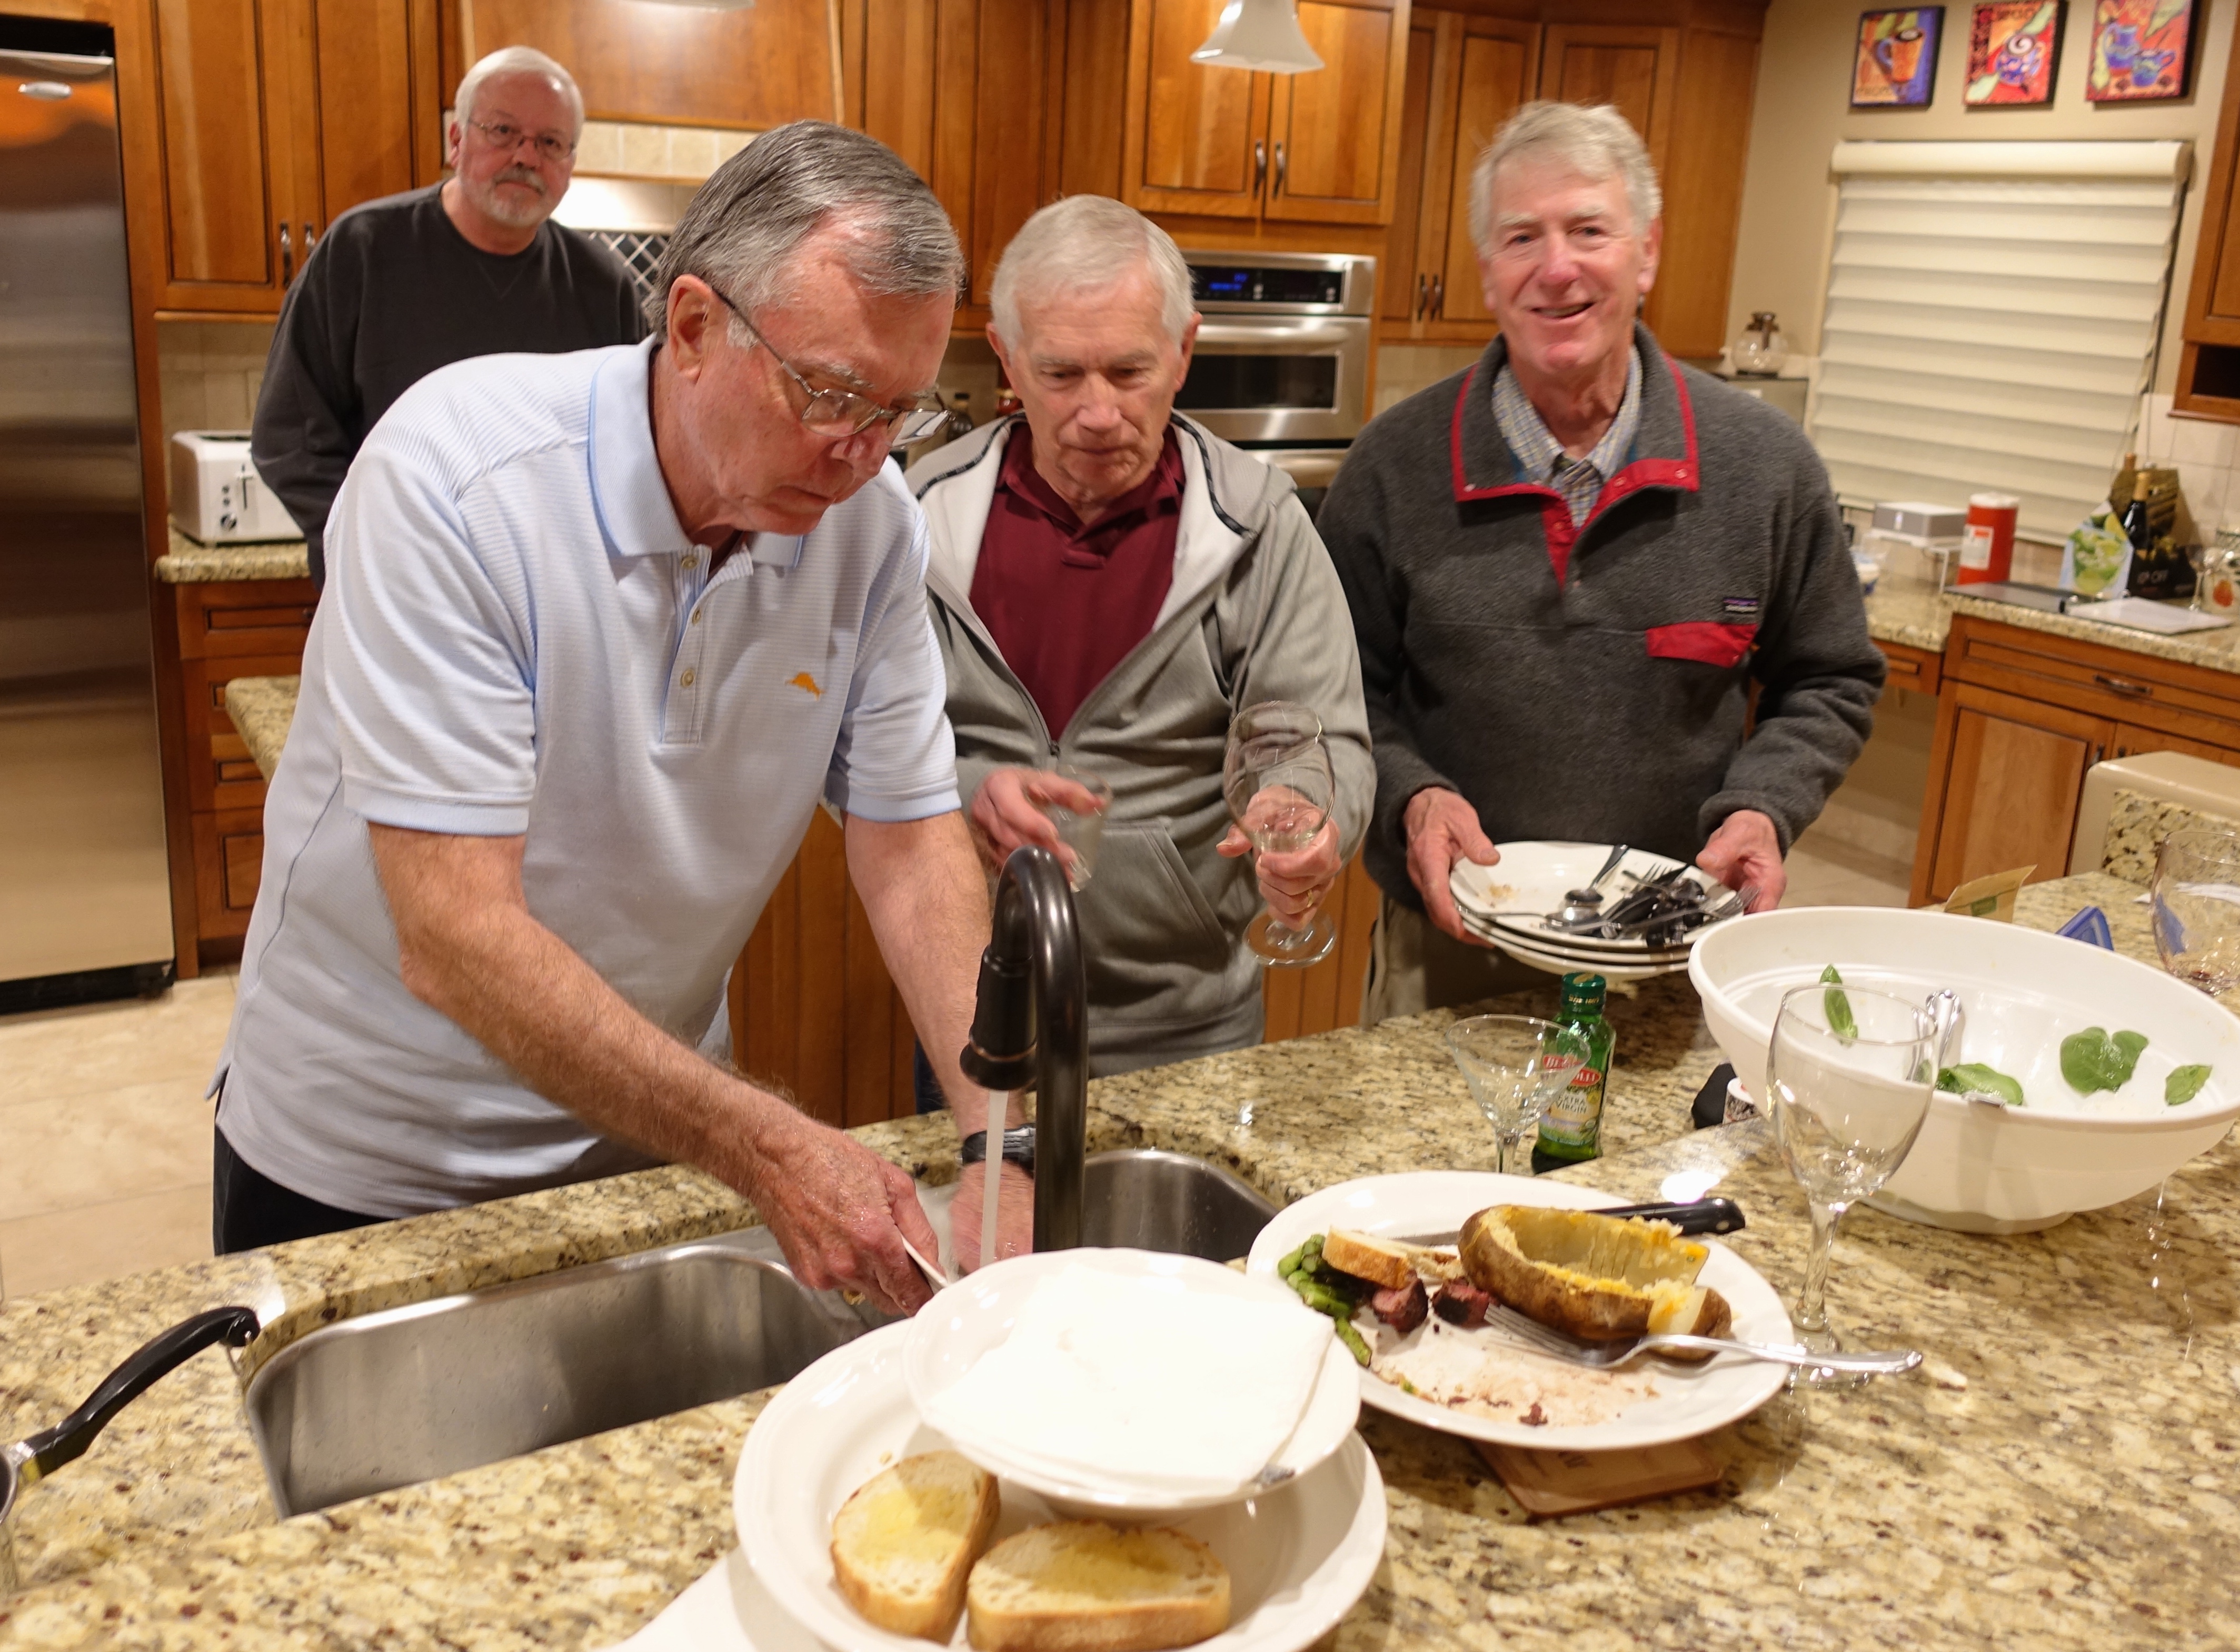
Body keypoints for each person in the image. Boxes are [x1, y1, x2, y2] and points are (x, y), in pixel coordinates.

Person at [210, 123, 1029, 1313]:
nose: (860, 455)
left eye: (900, 411)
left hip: (653, 1136)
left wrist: (998, 1143)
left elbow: (909, 845)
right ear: (693, 327)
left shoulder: (870, 525)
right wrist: (769, 1145)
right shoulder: (458, 480)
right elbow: (454, 934)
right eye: (830, 392)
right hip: (372, 1160)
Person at [1317, 102, 1885, 1021]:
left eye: (1589, 230)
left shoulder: (1765, 466)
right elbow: (1336, 694)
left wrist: (1764, 805)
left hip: (1678, 945)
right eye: (1521, 237)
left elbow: (1830, 676)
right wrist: (1412, 796)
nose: (1556, 268)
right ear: (1487, 272)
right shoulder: (1391, 467)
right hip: (1456, 945)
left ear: (1646, 253)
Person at [904, 196, 1373, 1076]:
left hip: (1187, 1027)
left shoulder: (1258, 526)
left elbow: (1320, 737)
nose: (1097, 412)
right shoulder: (918, 517)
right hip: (969, 997)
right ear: (1006, 357)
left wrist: (1303, 809)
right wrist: (968, 791)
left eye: (1128, 371)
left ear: (1184, 350)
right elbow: (858, 744)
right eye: (1060, 373)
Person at [251, 46, 646, 593]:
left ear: (570, 164)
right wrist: (375, 543)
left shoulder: (605, 287)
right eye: (503, 131)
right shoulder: (362, 251)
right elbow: (289, 433)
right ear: (456, 140)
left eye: (550, 143)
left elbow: (629, 447)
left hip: (545, 598)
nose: (526, 157)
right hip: (387, 584)